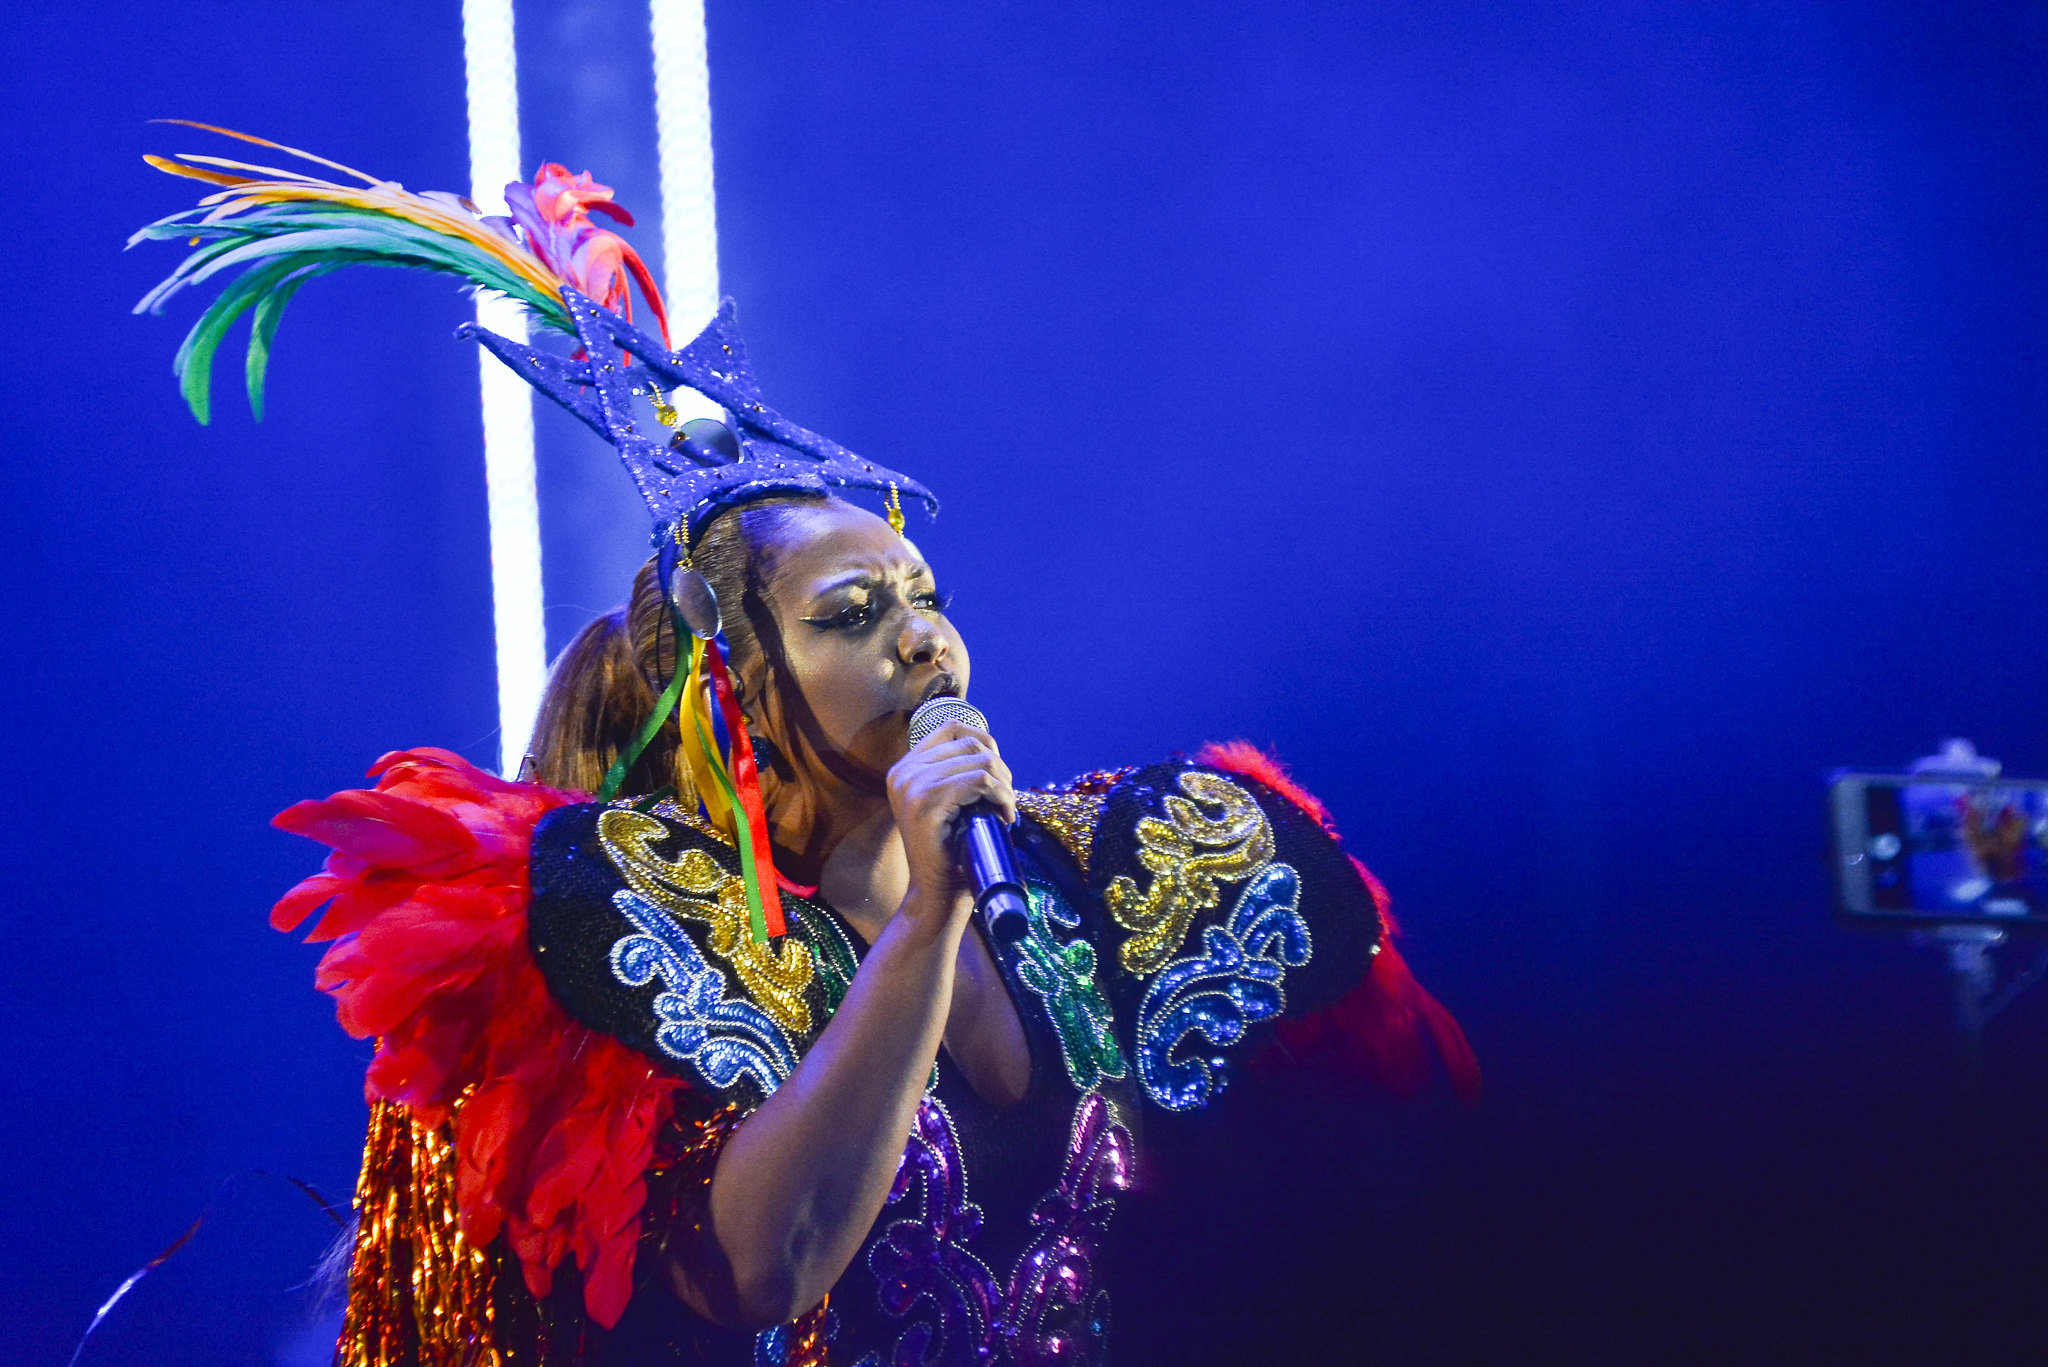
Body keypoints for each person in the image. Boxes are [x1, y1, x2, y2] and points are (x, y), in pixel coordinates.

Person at [137, 128, 1478, 1367]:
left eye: (928, 600)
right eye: (853, 614)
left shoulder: (1089, 881)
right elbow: (760, 1273)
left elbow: (1367, 1187)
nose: (921, 639)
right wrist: (925, 918)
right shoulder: (649, 929)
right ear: (732, 685)